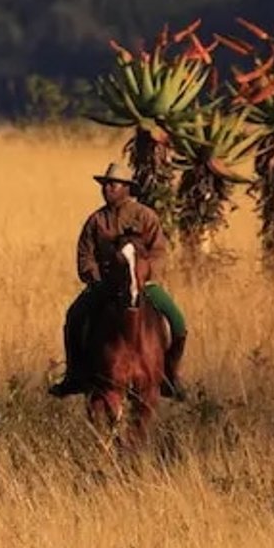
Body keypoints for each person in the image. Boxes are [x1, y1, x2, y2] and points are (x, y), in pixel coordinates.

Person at [48, 161, 189, 398]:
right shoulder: (96, 221)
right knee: (74, 317)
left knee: (179, 324)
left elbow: (159, 252)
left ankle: (170, 376)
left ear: (126, 188)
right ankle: (75, 375)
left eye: (113, 185)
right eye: (105, 185)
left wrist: (142, 276)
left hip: (143, 284)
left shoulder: (146, 216)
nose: (108, 189)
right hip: (105, 286)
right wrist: (94, 278)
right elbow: (85, 255)